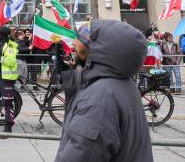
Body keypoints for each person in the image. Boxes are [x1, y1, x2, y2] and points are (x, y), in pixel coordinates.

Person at [55, 21, 152, 162]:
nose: (73, 43)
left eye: (80, 38)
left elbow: (81, 154)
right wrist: (71, 75)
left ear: (98, 48)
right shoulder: (123, 84)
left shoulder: (99, 100)